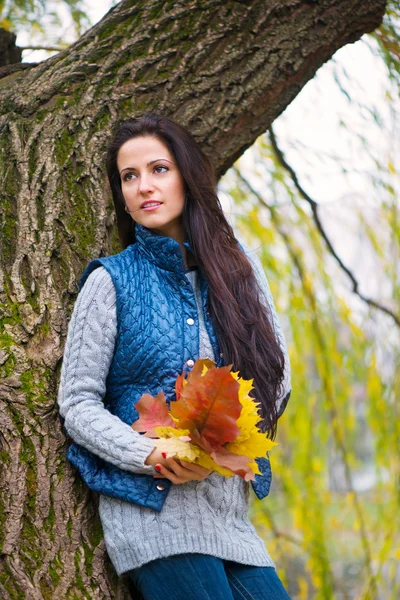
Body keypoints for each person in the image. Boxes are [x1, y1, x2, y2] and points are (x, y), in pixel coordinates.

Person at [57, 112, 292, 600]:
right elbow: (77, 402)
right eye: (129, 176)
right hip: (154, 519)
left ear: (187, 175)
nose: (144, 185)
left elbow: (277, 382)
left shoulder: (240, 272)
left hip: (232, 522)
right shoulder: (110, 281)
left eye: (158, 169)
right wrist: (149, 451)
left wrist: (227, 448)